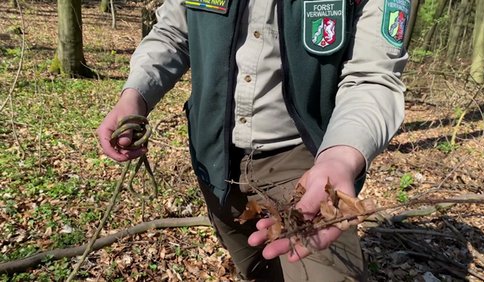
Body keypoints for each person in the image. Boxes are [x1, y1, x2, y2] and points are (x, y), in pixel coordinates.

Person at [97, 0, 410, 280]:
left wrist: (339, 158)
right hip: (214, 163)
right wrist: (136, 95)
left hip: (308, 166)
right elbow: (173, 34)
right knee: (259, 270)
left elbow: (374, 76)